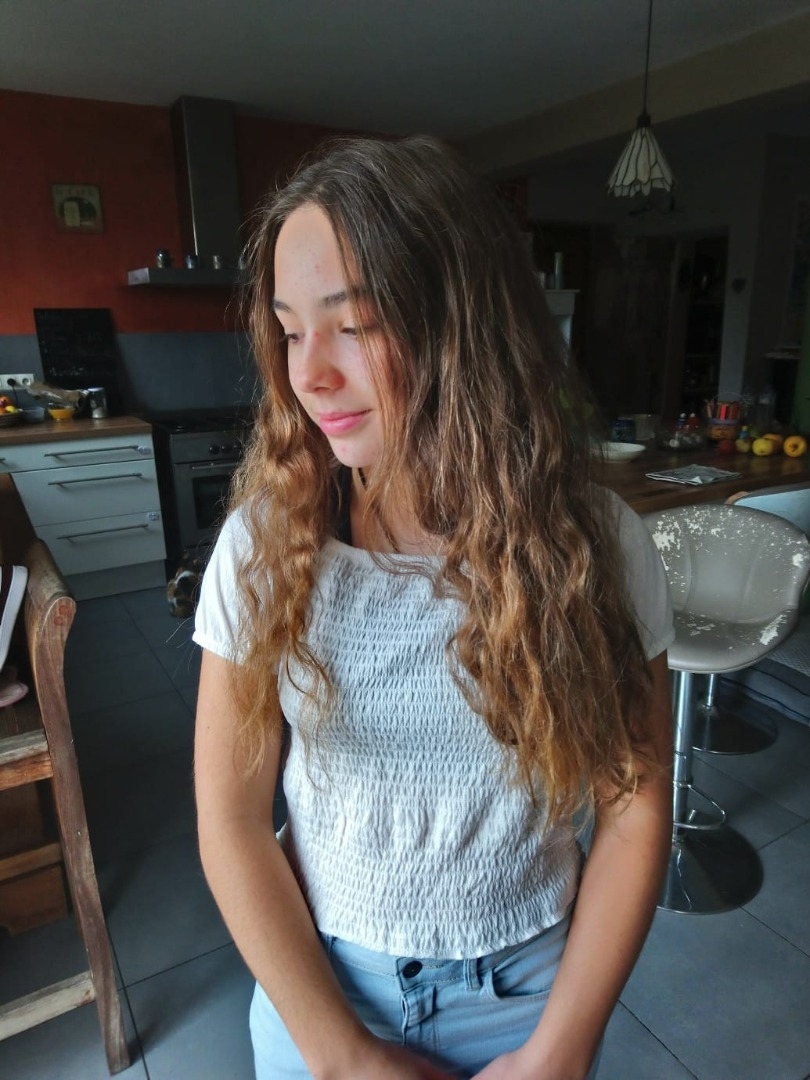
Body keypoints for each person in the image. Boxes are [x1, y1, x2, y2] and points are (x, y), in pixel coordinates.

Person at [193, 135, 674, 1080]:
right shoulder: (265, 548)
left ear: (461, 327)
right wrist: (343, 1058)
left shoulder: (598, 548)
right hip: (320, 995)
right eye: (290, 330)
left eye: (353, 324)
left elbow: (633, 809)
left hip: (528, 1002)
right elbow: (232, 820)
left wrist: (562, 1049)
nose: (307, 374)